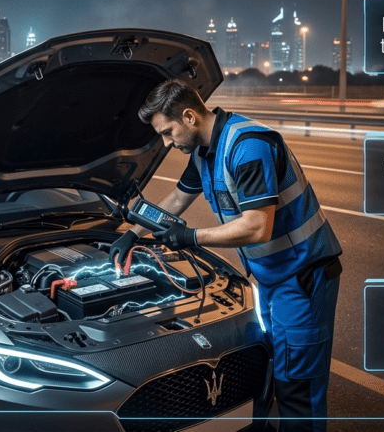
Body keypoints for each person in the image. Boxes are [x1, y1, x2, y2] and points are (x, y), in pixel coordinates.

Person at [112, 78, 342, 432]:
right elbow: (175, 200)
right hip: (273, 275)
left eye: (168, 132)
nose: (167, 143)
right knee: (275, 372)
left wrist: (191, 236)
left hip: (302, 276)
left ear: (189, 116)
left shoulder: (248, 146)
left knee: (299, 384)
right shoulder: (204, 151)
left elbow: (256, 227)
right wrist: (132, 232)